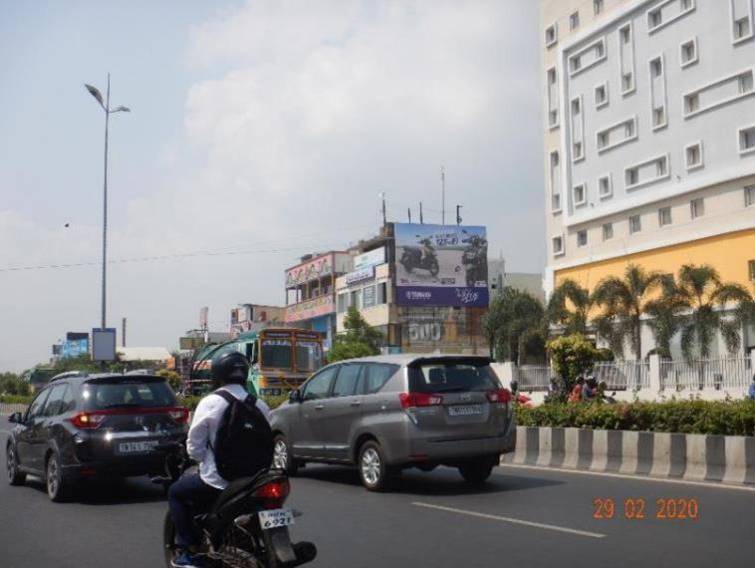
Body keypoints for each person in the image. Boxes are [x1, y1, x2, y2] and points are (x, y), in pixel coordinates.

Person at [168, 351, 272, 568]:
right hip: (255, 481)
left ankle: (191, 552)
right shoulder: (260, 405)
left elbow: (194, 447)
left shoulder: (210, 402)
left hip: (219, 481)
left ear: (217, 374)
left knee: (176, 493)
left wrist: (197, 459)